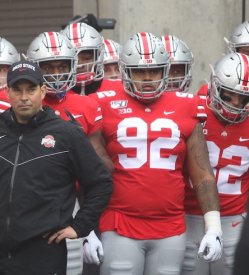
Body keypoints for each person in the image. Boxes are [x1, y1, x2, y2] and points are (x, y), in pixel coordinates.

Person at [0, 60, 113, 275]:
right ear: (7, 92)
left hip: (43, 257)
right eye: (17, 90)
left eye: (31, 89)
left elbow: (101, 183)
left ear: (43, 91)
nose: (24, 97)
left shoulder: (66, 134)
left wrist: (80, 226)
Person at [85, 32, 222, 275]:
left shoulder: (187, 105)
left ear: (165, 70)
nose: (147, 78)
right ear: (125, 71)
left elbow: (202, 174)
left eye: (154, 70)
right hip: (120, 222)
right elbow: (86, 172)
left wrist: (213, 228)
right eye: (139, 71)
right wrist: (86, 228)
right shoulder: (101, 103)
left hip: (171, 225)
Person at [182, 52, 249, 275]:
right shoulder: (193, 110)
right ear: (214, 86)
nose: (236, 104)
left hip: (234, 219)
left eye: (244, 98)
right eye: (229, 95)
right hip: (189, 215)